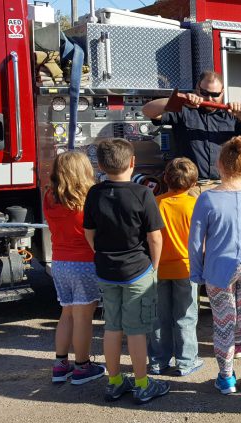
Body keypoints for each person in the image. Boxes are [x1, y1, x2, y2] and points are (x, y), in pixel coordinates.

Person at [83, 138, 169, 403]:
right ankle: (143, 385)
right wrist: (154, 266)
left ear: (99, 165)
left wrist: (101, 254)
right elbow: (155, 237)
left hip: (106, 271)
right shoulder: (142, 194)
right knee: (136, 330)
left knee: (112, 327)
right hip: (137, 271)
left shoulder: (94, 193)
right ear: (133, 163)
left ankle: (115, 381)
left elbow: (89, 233)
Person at [188, 136, 241, 394]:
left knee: (223, 323)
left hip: (218, 269)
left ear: (219, 165)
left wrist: (197, 271)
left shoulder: (207, 199)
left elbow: (195, 241)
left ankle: (225, 378)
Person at [142, 70, 241, 195]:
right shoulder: (183, 110)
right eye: (205, 93)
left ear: (222, 92)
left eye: (215, 94)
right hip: (190, 187)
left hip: (222, 186)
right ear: (197, 89)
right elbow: (147, 111)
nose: (210, 98)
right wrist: (181, 99)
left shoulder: (230, 116)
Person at [44, 151, 105, 385]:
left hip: (59, 262)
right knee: (84, 318)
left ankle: (60, 365)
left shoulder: (50, 196)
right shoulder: (88, 198)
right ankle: (82, 366)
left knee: (66, 313)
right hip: (85, 263)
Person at [147, 158, 204, 377]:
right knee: (186, 316)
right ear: (193, 183)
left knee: (158, 317)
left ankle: (158, 361)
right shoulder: (194, 205)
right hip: (186, 269)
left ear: (164, 178)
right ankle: (186, 361)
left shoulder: (155, 203)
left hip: (158, 268)